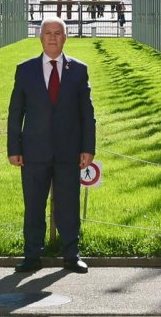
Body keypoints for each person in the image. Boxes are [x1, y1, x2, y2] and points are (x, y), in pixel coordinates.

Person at [7, 16, 96, 274]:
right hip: (33, 152)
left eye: (58, 33)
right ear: (41, 38)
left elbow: (87, 114)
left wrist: (88, 148)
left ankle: (71, 255)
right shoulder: (25, 70)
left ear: (65, 37)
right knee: (34, 205)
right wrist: (14, 148)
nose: (53, 37)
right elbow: (16, 112)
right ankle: (32, 256)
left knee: (68, 205)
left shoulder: (78, 70)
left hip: (69, 152)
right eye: (48, 33)